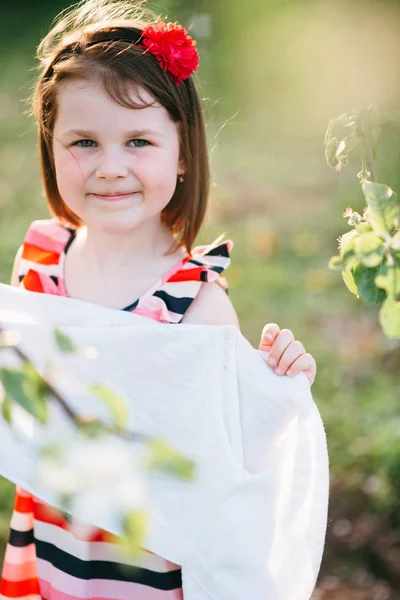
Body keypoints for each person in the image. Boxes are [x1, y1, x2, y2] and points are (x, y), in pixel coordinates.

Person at [0, 1, 317, 598]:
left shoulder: (194, 303)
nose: (110, 167)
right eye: (84, 142)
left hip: (139, 567)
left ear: (183, 154)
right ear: (50, 144)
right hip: (50, 546)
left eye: (139, 140)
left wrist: (276, 387)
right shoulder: (40, 259)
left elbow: (229, 454)